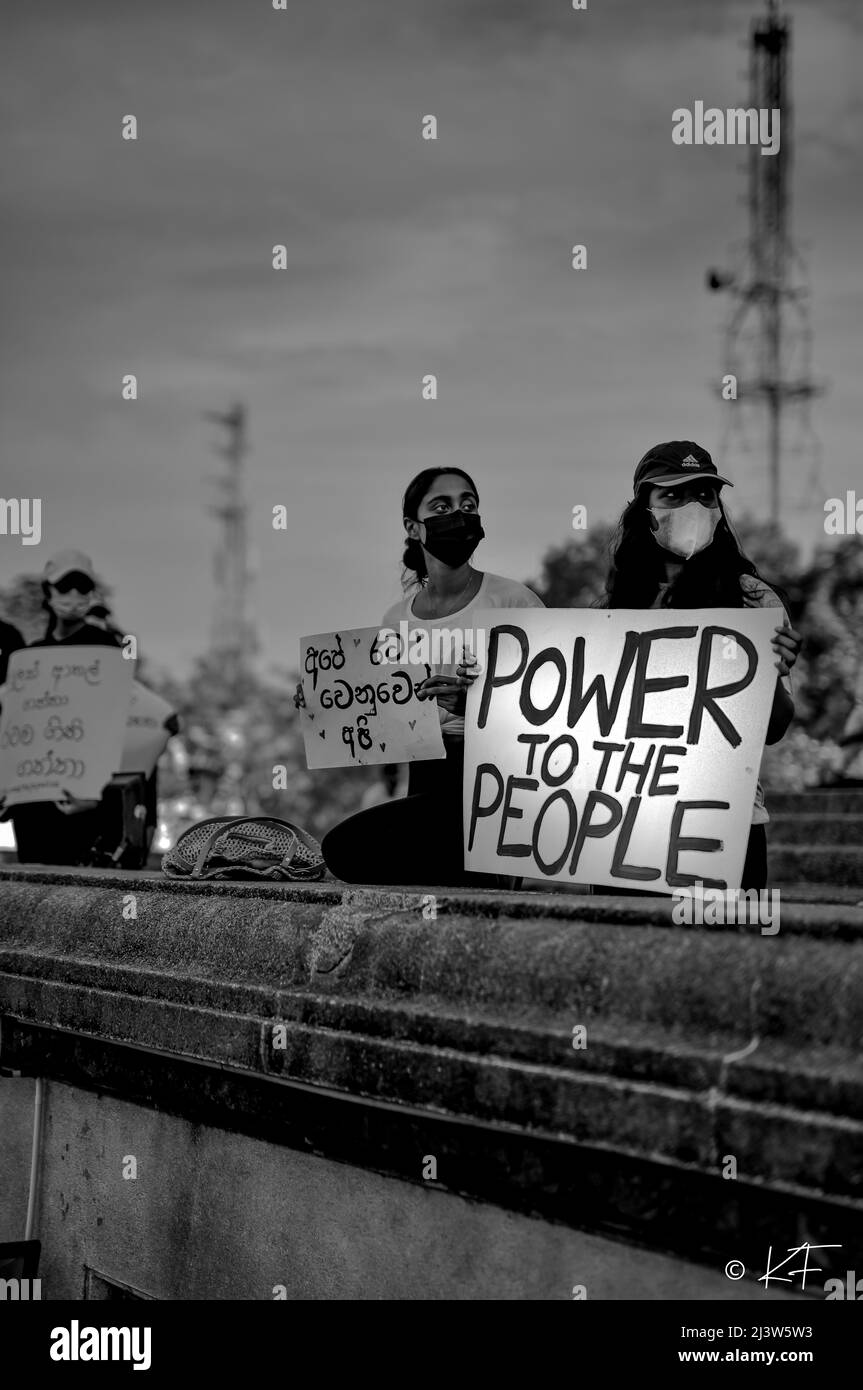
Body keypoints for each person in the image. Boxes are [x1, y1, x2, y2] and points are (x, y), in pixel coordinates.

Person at [310, 468, 545, 886]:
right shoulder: (396, 620)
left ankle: (495, 868)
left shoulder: (514, 601)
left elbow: (552, 711)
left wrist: (473, 708)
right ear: (413, 527)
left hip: (497, 785)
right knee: (343, 851)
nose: (459, 513)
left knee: (362, 853)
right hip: (425, 781)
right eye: (443, 506)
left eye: (468, 505)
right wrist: (321, 701)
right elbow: (380, 717)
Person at [600, 441, 802, 891]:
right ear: (644, 510)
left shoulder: (753, 600)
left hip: (726, 821)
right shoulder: (615, 613)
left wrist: (766, 672)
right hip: (627, 826)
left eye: (705, 495)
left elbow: (773, 728)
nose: (693, 506)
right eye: (672, 496)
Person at [7, 551, 124, 864]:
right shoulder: (31, 656)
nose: (74, 595)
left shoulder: (106, 648)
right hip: (32, 803)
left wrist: (95, 791)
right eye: (66, 586)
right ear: (49, 591)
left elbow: (111, 726)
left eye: (82, 587)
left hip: (82, 803)